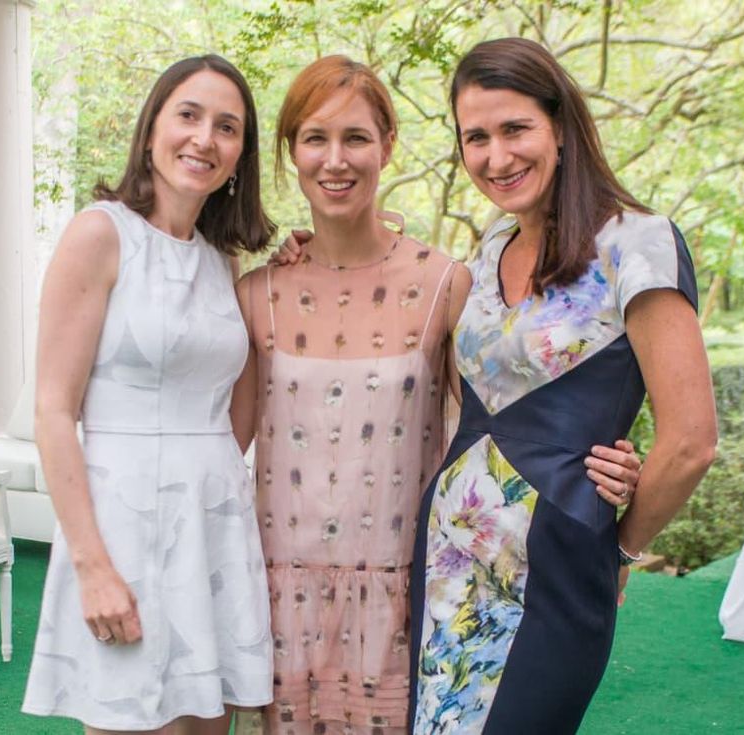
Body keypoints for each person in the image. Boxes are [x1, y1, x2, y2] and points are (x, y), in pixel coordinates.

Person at [231, 55, 642, 735]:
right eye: (314, 138)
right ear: (289, 152)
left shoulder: (448, 283)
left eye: (357, 138)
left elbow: (512, 410)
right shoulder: (258, 293)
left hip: (409, 595)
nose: (336, 160)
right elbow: (223, 449)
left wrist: (606, 460)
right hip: (285, 601)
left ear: (388, 145)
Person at [407, 38, 718, 734]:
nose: (496, 156)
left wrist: (619, 548)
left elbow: (692, 440)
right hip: (450, 555)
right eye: (475, 137)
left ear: (562, 127)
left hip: (556, 564)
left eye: (515, 128)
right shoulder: (491, 246)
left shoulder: (637, 242)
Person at [21, 56, 275, 735]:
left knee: (206, 724)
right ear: (152, 126)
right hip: (123, 525)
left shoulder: (224, 261)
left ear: (239, 156)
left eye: (227, 127)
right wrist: (93, 565)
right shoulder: (100, 234)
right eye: (188, 115)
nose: (204, 139)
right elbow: (53, 409)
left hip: (213, 524)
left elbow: (234, 408)